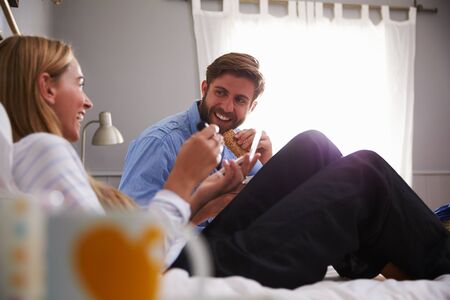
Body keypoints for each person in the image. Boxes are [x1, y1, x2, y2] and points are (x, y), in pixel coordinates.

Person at [2, 35, 449, 289]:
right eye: (78, 83)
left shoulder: (37, 161)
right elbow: (121, 268)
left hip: (190, 245)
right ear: (45, 88)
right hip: (191, 263)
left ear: (250, 107)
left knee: (314, 145)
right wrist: (184, 181)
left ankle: (368, 255)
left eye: (240, 100)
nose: (87, 99)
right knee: (365, 170)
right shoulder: (50, 151)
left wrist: (212, 192)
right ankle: (435, 252)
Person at [119, 53, 273, 224]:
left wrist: (267, 162)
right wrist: (206, 208)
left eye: (240, 100)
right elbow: (132, 228)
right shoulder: (159, 142)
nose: (227, 107)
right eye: (221, 93)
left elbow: (268, 208)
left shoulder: (241, 145)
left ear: (252, 106)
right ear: (205, 88)